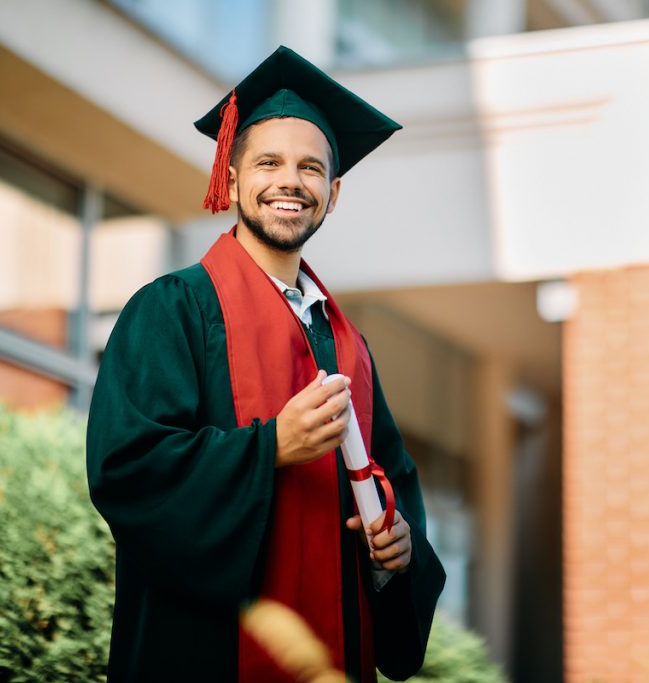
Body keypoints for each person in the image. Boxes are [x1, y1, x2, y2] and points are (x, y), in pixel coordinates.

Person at [86, 46, 446, 682]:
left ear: (332, 194)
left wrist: (398, 551)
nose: (290, 181)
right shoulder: (172, 310)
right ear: (230, 180)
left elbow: (397, 488)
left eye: (311, 169)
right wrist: (271, 446)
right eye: (269, 163)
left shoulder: (350, 349)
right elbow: (128, 472)